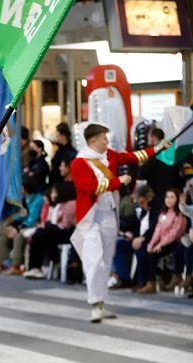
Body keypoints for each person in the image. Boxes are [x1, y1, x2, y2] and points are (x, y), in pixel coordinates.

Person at [70, 122, 167, 323]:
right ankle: (95, 303)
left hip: (108, 214)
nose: (107, 140)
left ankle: (101, 303)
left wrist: (156, 149)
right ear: (93, 141)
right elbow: (90, 188)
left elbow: (133, 157)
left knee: (106, 260)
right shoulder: (79, 163)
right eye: (104, 138)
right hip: (90, 217)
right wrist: (118, 182)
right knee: (94, 260)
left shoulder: (110, 155)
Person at [137, 188, 187, 294]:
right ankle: (150, 280)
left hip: (174, 243)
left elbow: (174, 234)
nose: (169, 200)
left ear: (177, 199)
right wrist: (151, 244)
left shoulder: (180, 215)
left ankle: (152, 284)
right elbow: (157, 230)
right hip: (162, 242)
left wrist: (160, 244)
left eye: (172, 197)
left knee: (153, 255)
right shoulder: (163, 213)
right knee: (146, 252)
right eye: (167, 197)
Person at [24, 182, 76, 278]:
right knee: (39, 234)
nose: (52, 195)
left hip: (69, 233)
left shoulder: (71, 204)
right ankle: (35, 268)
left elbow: (65, 225)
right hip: (57, 232)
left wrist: (47, 225)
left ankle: (37, 267)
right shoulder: (59, 205)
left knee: (42, 231)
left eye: (54, 192)